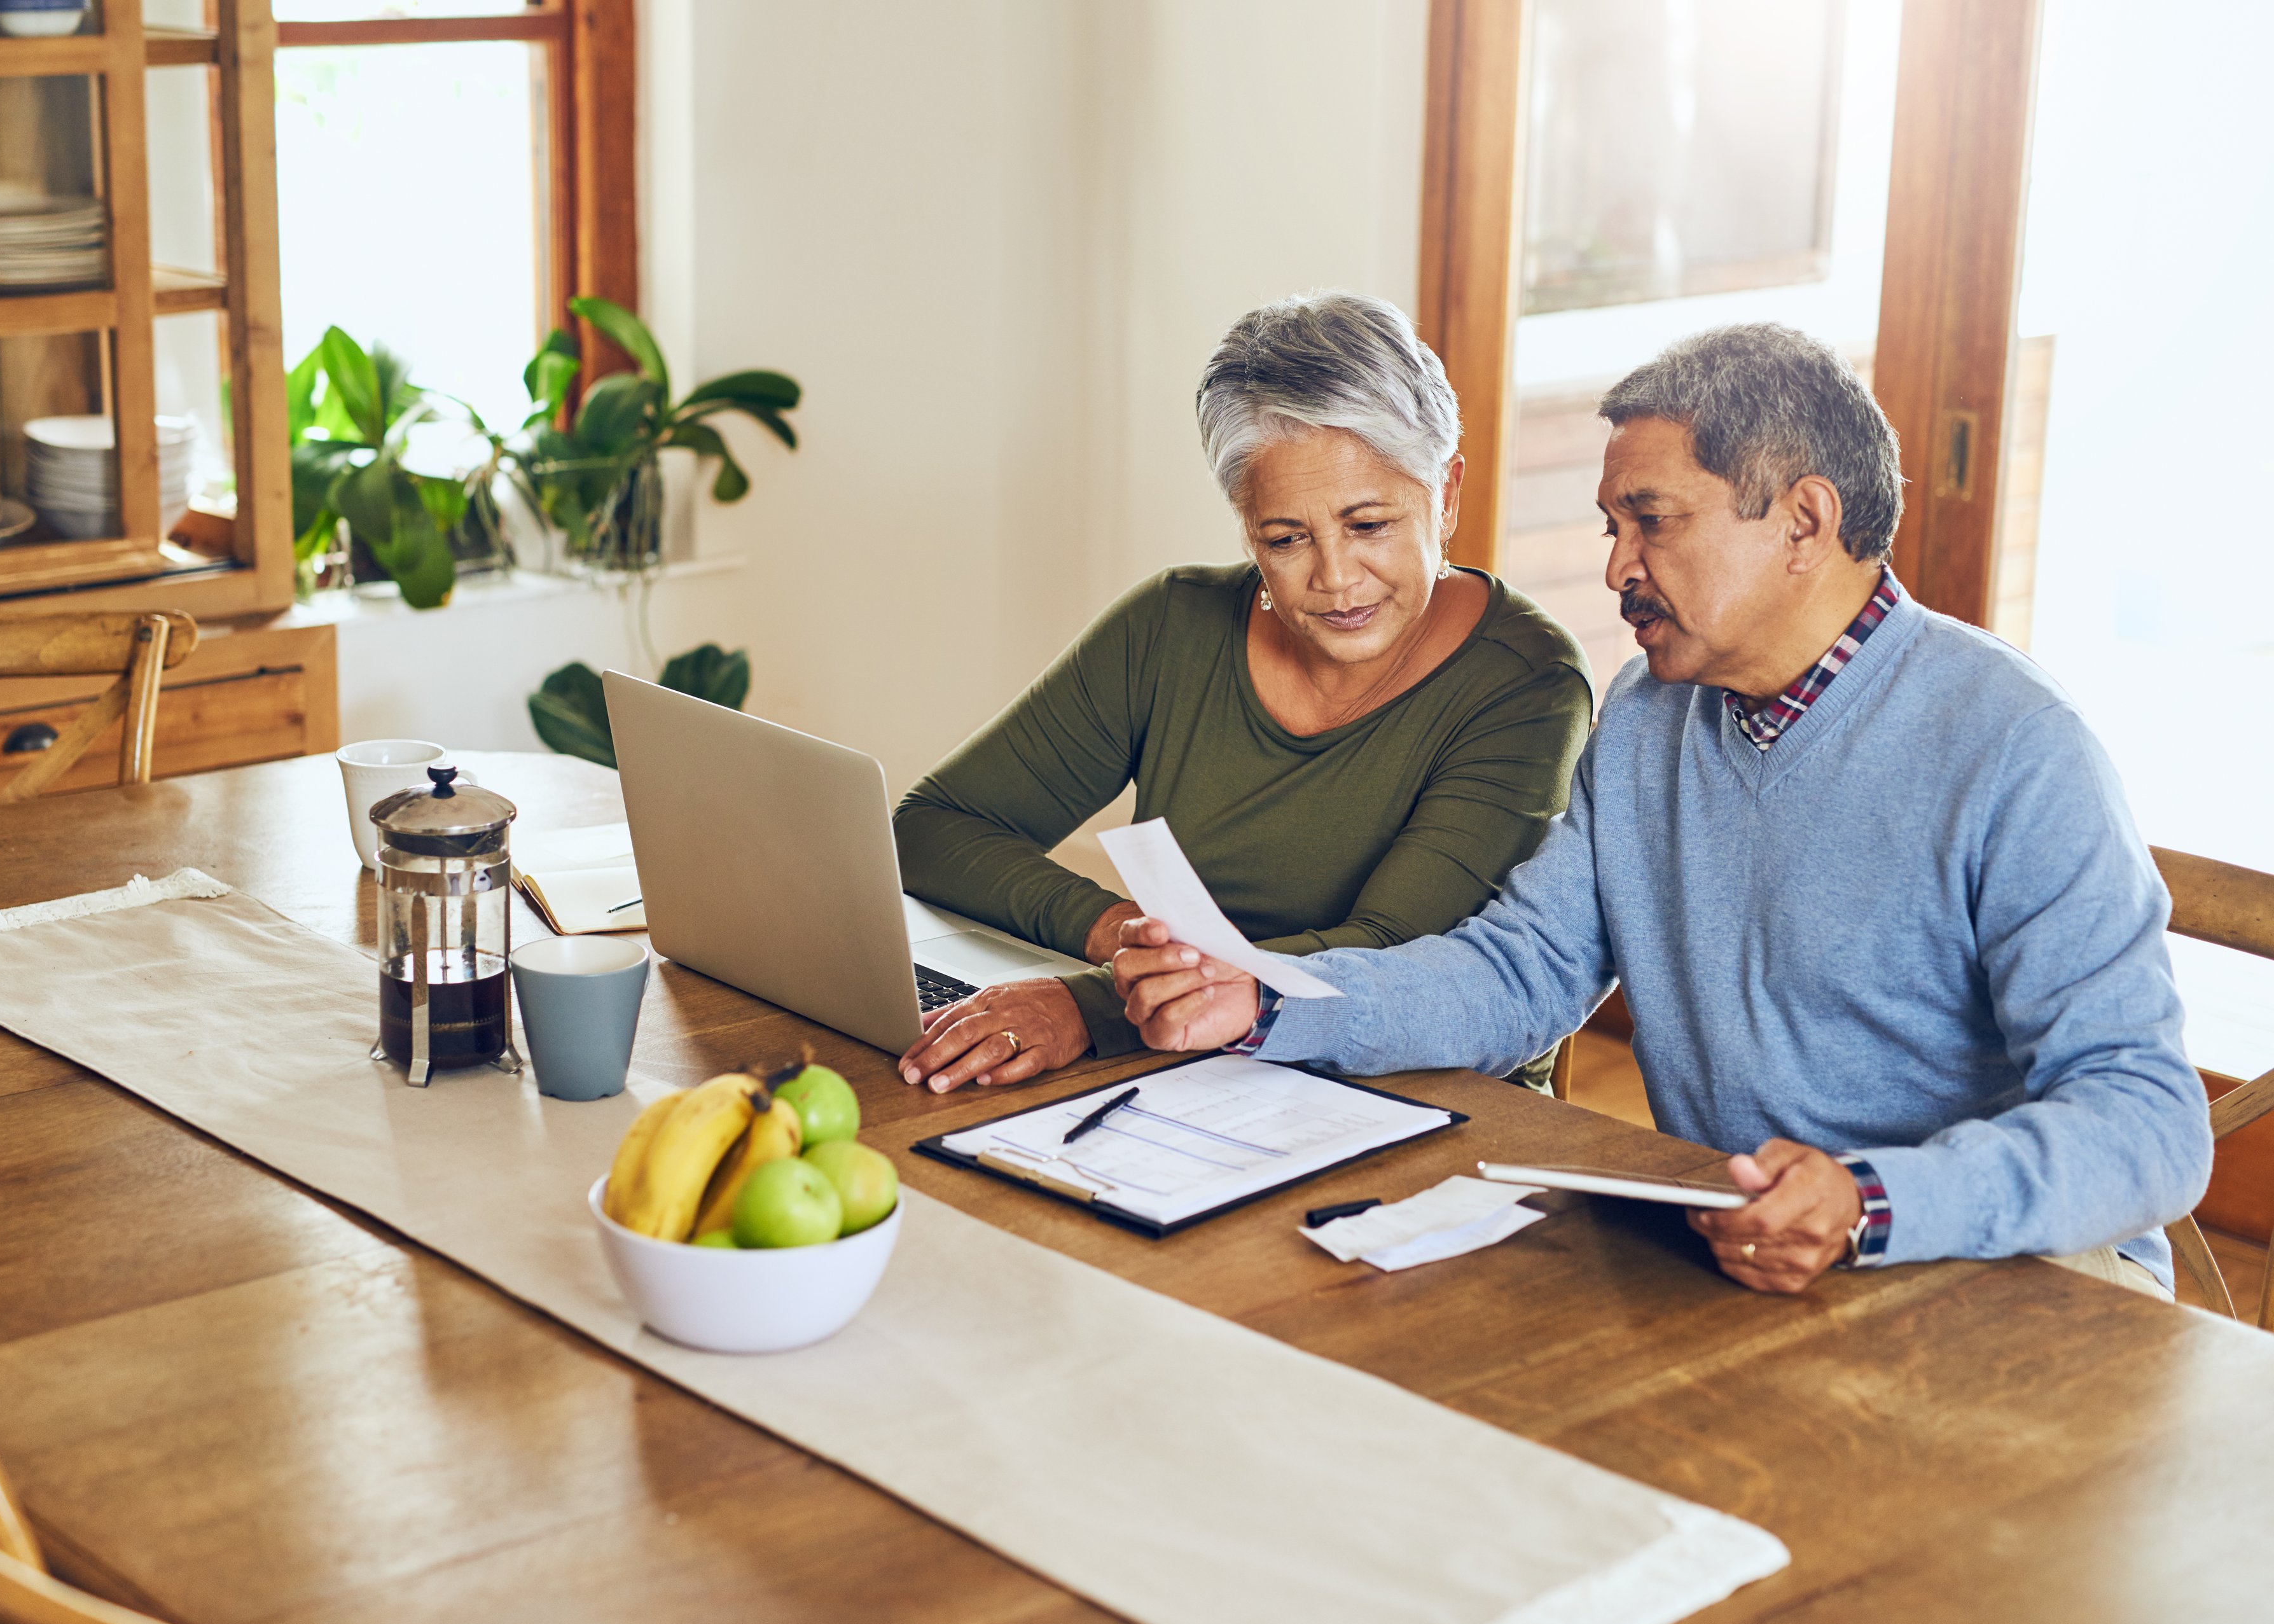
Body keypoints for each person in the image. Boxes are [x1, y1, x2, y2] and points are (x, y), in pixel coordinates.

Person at [1110, 322, 2212, 1298]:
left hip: (2017, 1285)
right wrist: (1265, 999)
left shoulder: (2016, 746)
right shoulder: (1648, 715)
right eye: (1610, 526)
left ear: (1804, 520)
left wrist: (1871, 1201)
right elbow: (1521, 971)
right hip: (1752, 1265)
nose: (1616, 568)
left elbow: (2150, 1125)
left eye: (1652, 522)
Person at [892, 292, 1593, 1093]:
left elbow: (1393, 953)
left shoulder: (1527, 682)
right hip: (1189, 1075)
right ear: (1245, 524)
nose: (1335, 579)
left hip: (1413, 1097)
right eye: (1285, 538)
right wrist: (1123, 938)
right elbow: (934, 829)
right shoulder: (1173, 625)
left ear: (1448, 495)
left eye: (1370, 526)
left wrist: (1092, 1008)